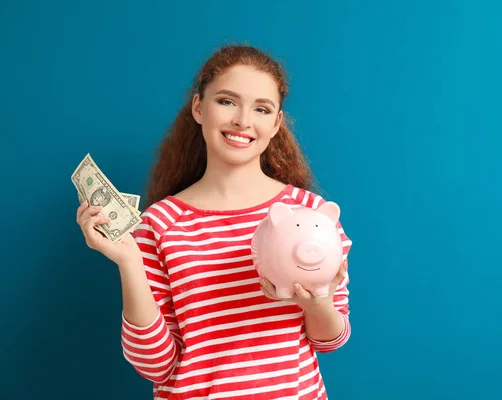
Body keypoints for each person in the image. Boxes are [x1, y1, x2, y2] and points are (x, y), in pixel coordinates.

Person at [76, 44, 352, 399]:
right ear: (198, 108)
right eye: (227, 101)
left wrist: (316, 303)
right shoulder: (159, 224)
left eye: (262, 108)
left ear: (276, 123)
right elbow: (155, 365)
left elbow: (330, 340)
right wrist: (129, 262)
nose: (243, 120)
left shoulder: (313, 214)